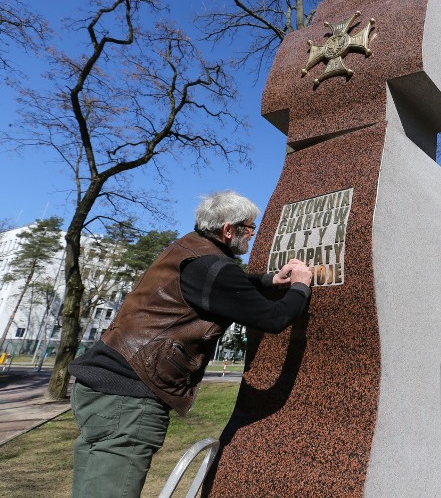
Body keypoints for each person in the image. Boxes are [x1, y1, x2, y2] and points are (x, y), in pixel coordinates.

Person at [69, 191, 312, 497]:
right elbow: (275, 319)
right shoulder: (213, 268)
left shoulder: (189, 250)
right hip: (129, 396)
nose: (252, 235)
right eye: (250, 228)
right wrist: (302, 285)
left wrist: (267, 281)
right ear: (228, 230)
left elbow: (226, 286)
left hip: (100, 387)